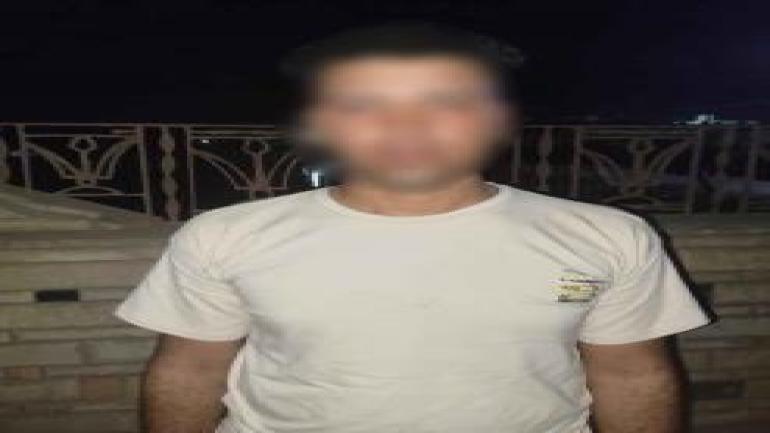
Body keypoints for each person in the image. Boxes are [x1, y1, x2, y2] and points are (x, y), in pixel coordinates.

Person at [113, 20, 713, 433]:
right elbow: (189, 368)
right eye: (364, 104)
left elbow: (632, 374)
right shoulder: (224, 235)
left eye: (445, 101)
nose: (406, 126)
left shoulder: (608, 236)